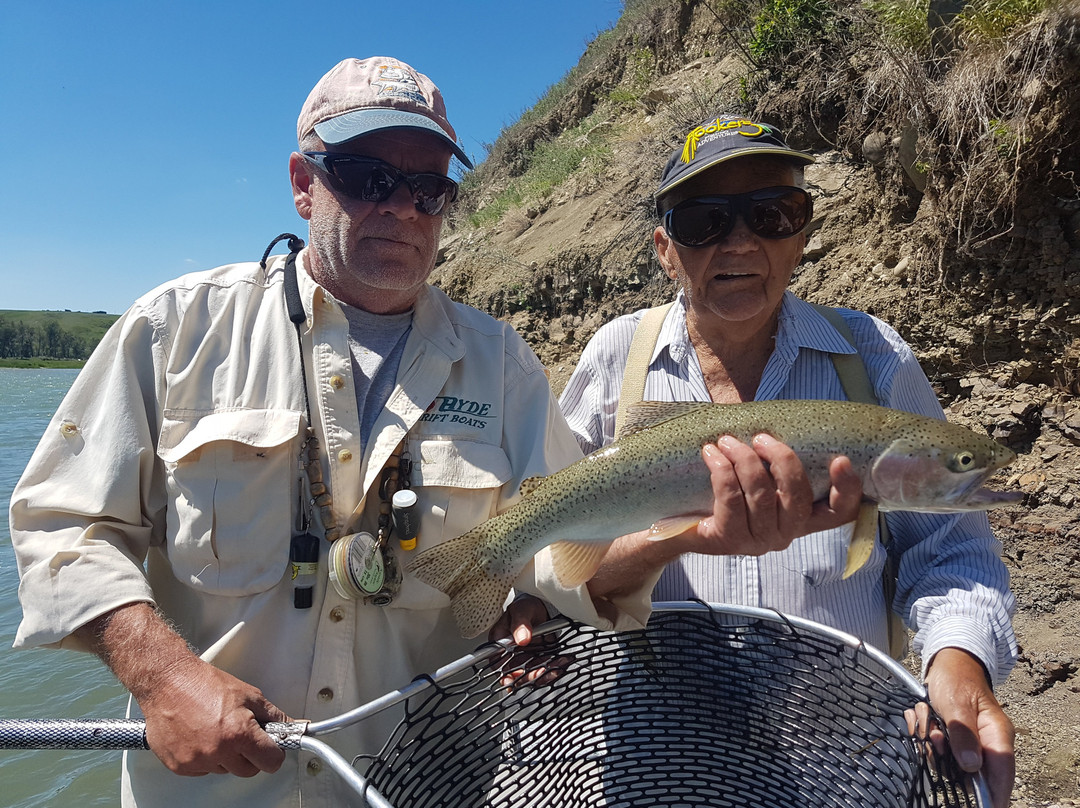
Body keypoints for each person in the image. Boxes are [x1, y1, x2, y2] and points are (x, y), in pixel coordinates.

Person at [8, 56, 666, 807]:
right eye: (366, 176)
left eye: (430, 189)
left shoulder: (507, 367)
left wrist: (536, 607)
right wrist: (165, 675)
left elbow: (555, 552)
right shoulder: (174, 331)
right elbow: (61, 526)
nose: (404, 209)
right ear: (301, 182)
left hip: (422, 788)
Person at [555, 115, 1018, 807]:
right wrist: (673, 541)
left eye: (772, 213)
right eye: (704, 220)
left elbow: (953, 552)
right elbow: (562, 576)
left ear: (802, 232)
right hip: (660, 758)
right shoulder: (613, 357)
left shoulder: (874, 355)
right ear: (665, 248)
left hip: (846, 763)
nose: (740, 241)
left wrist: (958, 660)